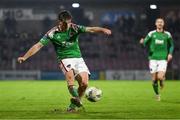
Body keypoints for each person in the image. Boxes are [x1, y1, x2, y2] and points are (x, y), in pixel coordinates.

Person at [17, 10, 111, 111]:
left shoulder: (75, 28)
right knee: (71, 83)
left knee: (84, 84)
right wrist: (24, 57)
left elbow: (91, 29)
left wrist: (103, 29)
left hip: (79, 59)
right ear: (60, 22)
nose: (68, 25)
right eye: (66, 23)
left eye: (69, 22)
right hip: (65, 59)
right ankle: (78, 101)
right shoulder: (52, 33)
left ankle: (73, 106)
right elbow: (38, 45)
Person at [140, 18, 174, 101]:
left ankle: (162, 80)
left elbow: (172, 45)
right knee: (154, 80)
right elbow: (144, 44)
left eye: (161, 22)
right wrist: (142, 42)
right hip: (153, 59)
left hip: (163, 58)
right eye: (158, 22)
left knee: (159, 77)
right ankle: (157, 94)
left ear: (163, 24)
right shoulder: (151, 34)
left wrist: (170, 54)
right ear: (155, 24)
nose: (160, 23)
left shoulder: (167, 34)